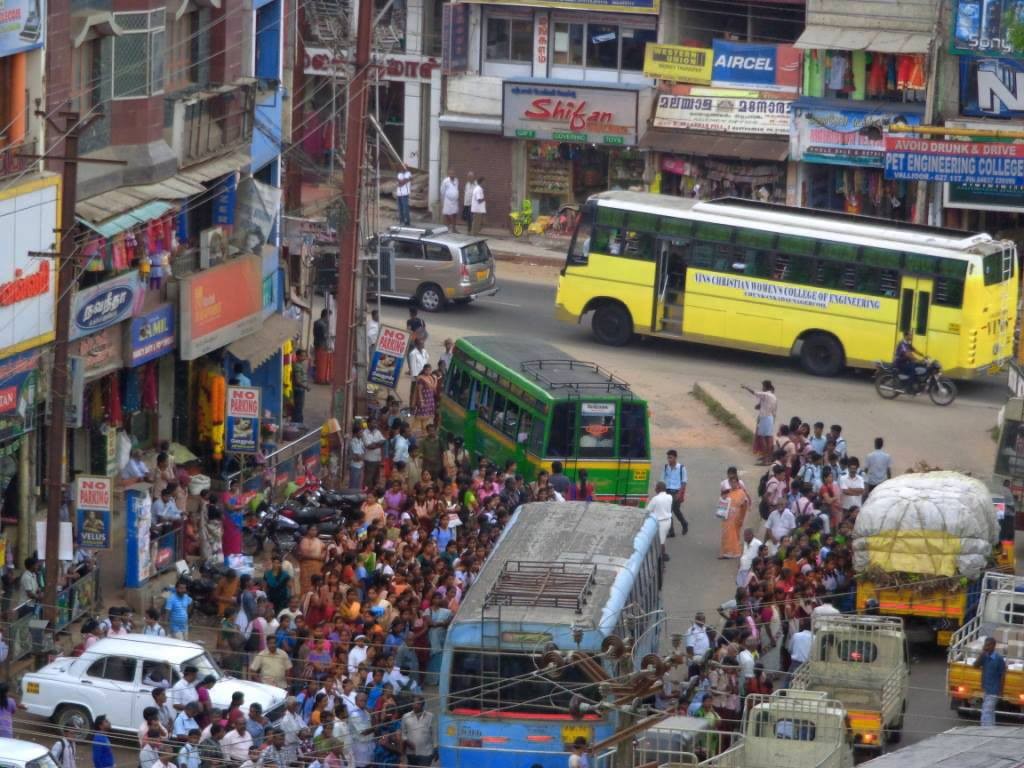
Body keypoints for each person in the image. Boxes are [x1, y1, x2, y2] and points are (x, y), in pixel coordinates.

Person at [743, 380, 777, 465]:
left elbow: (754, 392)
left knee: (762, 439)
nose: (762, 388)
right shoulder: (773, 396)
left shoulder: (765, 394)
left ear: (765, 387)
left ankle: (765, 460)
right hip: (770, 418)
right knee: (768, 439)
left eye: (763, 386)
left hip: (764, 418)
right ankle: (768, 459)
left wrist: (746, 387)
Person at [974, 636, 1006, 726]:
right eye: (985, 645)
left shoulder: (999, 659)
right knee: (990, 712)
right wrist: (982, 653)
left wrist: (1001, 691)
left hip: (994, 691)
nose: (986, 647)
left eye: (988, 645)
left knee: (986, 712)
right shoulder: (985, 656)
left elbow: (1003, 675)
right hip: (986, 689)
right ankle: (991, 731)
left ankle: (985, 732)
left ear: (993, 646)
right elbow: (975, 665)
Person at [400, 696, 435, 766]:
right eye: (414, 703)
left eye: (418, 704)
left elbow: (434, 734)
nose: (415, 705)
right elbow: (403, 734)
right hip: (411, 753)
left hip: (426, 752)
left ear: (422, 704)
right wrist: (407, 741)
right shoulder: (406, 716)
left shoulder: (430, 716)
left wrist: (436, 748)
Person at [719, 475, 749, 559]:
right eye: (731, 482)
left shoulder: (741, 493)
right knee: (726, 534)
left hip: (736, 516)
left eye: (734, 482)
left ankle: (733, 552)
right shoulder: (727, 492)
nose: (733, 484)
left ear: (737, 483)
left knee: (734, 534)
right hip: (727, 516)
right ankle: (726, 552)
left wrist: (741, 518)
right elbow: (722, 502)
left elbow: (744, 506)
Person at [663, 449, 688, 536]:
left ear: (675, 458)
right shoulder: (666, 467)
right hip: (667, 491)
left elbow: (684, 482)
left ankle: (671, 531)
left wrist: (679, 493)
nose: (669, 460)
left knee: (669, 510)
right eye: (668, 458)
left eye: (671, 458)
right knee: (676, 510)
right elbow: (662, 480)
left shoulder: (681, 468)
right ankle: (684, 523)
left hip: (676, 492)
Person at [646, 482, 673, 562]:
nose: (654, 489)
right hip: (668, 521)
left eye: (656, 487)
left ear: (658, 489)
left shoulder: (655, 499)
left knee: (660, 542)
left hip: (660, 523)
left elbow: (647, 510)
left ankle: (661, 559)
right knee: (662, 540)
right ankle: (662, 556)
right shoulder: (670, 497)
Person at [291, 349, 310, 425]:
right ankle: (297, 423)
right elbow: (297, 381)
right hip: (299, 389)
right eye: (302, 356)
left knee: (299, 407)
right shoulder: (297, 366)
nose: (304, 357)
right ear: (297, 356)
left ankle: (298, 422)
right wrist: (306, 387)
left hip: (301, 389)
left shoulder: (300, 365)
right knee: (298, 407)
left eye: (305, 356)